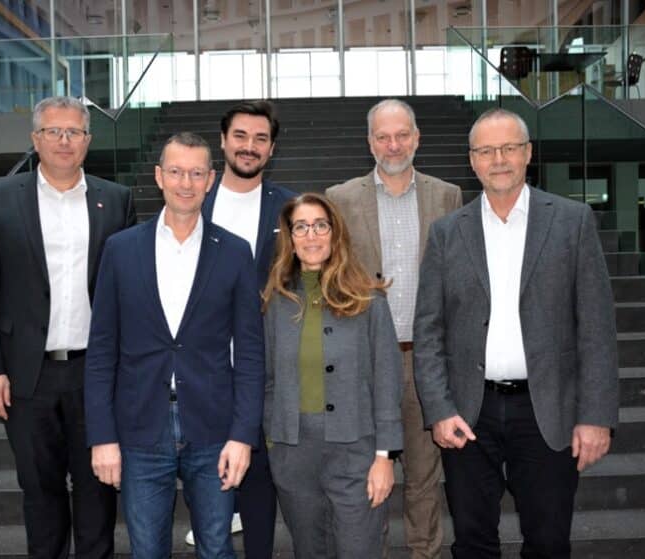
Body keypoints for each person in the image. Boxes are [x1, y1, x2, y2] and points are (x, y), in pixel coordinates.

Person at [413, 108, 619, 558]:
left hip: (548, 410)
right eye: (486, 151)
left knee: (548, 542)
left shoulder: (572, 221)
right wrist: (439, 409)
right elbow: (428, 331)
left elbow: (597, 328)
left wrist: (596, 415)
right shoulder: (448, 233)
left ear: (528, 153)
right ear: (472, 161)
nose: (498, 159)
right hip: (468, 413)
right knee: (472, 541)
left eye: (508, 148)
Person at [0, 96, 136, 558]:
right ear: (35, 139)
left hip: (95, 374)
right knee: (40, 493)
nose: (64, 141)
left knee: (99, 491)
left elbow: (130, 295)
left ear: (88, 140)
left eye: (74, 132)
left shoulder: (115, 200)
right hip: (25, 377)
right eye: (53, 132)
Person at [84, 132, 265, 559]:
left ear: (211, 179)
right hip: (139, 428)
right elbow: (102, 351)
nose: (186, 182)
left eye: (196, 173)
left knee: (217, 547)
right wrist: (102, 437)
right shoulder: (121, 250)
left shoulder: (236, 252)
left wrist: (243, 436)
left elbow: (252, 353)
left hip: (214, 429)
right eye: (177, 172)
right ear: (159, 176)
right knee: (147, 550)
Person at [326, 98, 462, 559]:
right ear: (369, 143)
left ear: (417, 138)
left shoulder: (447, 196)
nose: (393, 144)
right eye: (383, 136)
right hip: (366, 364)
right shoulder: (340, 199)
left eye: (402, 134)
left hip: (427, 360)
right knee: (370, 474)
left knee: (425, 476)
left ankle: (425, 553)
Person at [262, 192, 403, 559]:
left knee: (359, 549)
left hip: (356, 452)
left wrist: (384, 456)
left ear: (335, 233)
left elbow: (387, 381)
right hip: (294, 454)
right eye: (301, 227)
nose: (311, 235)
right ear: (290, 239)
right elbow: (267, 379)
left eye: (320, 225)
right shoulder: (274, 302)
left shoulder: (369, 300)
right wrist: (273, 441)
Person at [185, 100, 294, 557]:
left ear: (271, 149)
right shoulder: (194, 200)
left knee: (260, 483)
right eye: (241, 137)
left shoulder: (290, 206)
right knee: (203, 474)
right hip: (201, 368)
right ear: (224, 141)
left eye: (261, 139)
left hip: (263, 367)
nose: (250, 147)